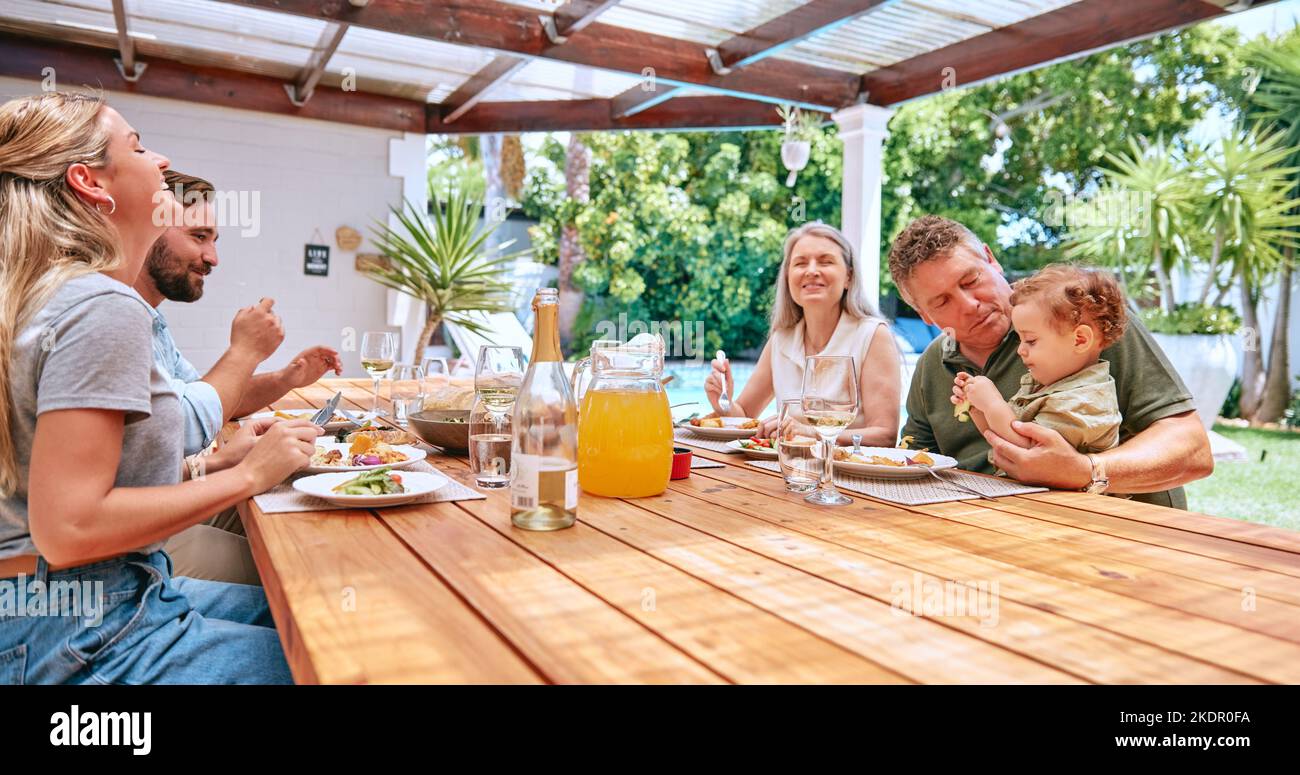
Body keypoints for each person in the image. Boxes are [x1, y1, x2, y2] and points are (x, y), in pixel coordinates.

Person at [0, 92, 319, 684]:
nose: (162, 158)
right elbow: (69, 529)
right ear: (90, 183)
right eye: (139, 146)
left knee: (325, 621)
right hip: (81, 629)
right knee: (358, 662)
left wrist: (216, 465)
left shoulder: (42, 293)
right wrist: (250, 475)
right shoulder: (101, 305)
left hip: (69, 605)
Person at [888, 214, 1212, 507]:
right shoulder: (933, 364)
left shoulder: (1080, 324)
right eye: (942, 301)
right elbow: (914, 463)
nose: (969, 304)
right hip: (1001, 533)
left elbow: (1192, 449)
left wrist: (1087, 471)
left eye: (971, 280)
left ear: (992, 259)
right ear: (923, 314)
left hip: (1121, 536)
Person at [133, 170, 341, 584]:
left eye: (214, 240)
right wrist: (244, 351)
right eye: (199, 236)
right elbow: (187, 426)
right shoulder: (113, 315)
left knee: (311, 513)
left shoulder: (151, 318)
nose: (213, 258)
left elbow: (209, 399)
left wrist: (285, 378)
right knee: (307, 566)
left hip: (158, 503)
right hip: (133, 542)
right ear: (146, 229)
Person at [704, 222, 901, 447]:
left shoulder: (872, 335)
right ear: (788, 277)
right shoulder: (781, 339)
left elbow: (885, 435)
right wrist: (725, 402)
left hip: (850, 478)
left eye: (826, 261)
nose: (811, 270)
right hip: (789, 474)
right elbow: (746, 416)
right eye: (800, 263)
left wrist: (811, 433)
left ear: (848, 276)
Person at [952, 264, 1126, 481]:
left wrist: (992, 404)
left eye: (1031, 340)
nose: (1020, 350)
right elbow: (1001, 438)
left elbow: (1030, 452)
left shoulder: (1086, 400)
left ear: (1080, 339)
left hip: (1076, 510)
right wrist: (977, 407)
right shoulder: (1050, 384)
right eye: (1020, 339)